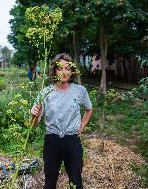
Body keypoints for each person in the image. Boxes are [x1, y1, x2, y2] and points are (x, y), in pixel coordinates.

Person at [31, 53, 93, 189]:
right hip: (52, 141)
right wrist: (34, 115)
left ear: (72, 71)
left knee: (76, 180)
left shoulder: (80, 90)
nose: (64, 72)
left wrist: (81, 126)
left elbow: (89, 109)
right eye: (60, 68)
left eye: (67, 68)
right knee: (50, 181)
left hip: (72, 140)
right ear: (54, 70)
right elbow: (34, 124)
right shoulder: (45, 92)